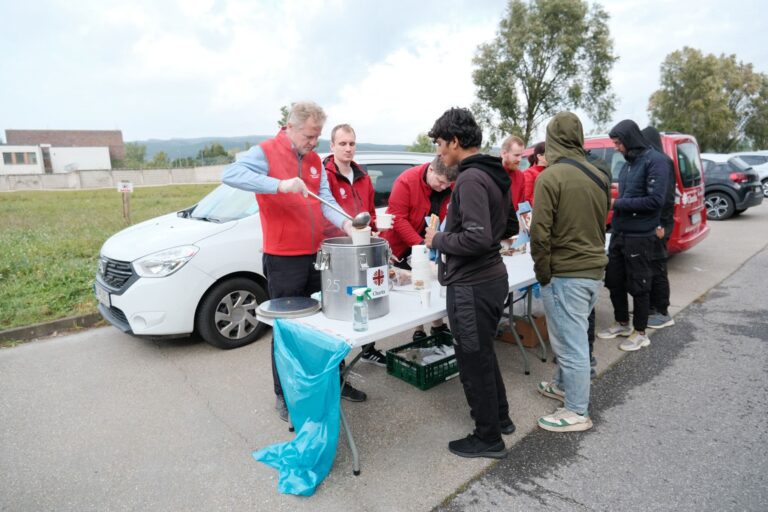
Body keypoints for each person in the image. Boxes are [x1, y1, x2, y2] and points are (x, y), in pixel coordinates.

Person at [221, 101, 367, 422]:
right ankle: (284, 395)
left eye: (317, 136)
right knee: (287, 329)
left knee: (327, 320)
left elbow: (325, 200)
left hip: (318, 254)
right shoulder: (265, 152)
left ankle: (334, 381)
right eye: (309, 136)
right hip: (284, 258)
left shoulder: (314, 161)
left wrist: (346, 223)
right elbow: (230, 174)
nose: (314, 142)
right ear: (291, 128)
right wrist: (279, 185)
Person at [425, 107, 518, 459]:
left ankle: (487, 437)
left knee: (472, 362)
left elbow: (477, 238)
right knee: (483, 354)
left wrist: (438, 239)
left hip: (472, 285)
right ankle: (501, 418)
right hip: (491, 278)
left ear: (455, 141)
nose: (439, 151)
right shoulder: (494, 172)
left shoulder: (470, 178)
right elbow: (509, 226)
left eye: (440, 143)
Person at [529, 111, 610, 432]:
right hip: (593, 269)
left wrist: (543, 273)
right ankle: (564, 385)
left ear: (551, 139)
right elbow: (601, 221)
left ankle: (576, 411)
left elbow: (540, 233)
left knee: (569, 343)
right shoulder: (599, 175)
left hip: (566, 273)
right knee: (572, 335)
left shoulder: (550, 177)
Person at [597, 119, 668, 351]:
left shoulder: (656, 161)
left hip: (640, 236)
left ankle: (640, 332)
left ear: (630, 139)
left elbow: (655, 200)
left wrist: (616, 203)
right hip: (619, 232)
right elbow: (629, 195)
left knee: (640, 284)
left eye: (618, 143)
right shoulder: (627, 164)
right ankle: (622, 323)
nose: (616, 147)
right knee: (614, 280)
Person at [322, 123, 386, 366]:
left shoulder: (363, 176)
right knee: (338, 305)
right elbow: (323, 211)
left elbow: (369, 212)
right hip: (337, 250)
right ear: (332, 146)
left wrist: (374, 229)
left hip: (362, 248)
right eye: (342, 144)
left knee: (364, 297)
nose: (348, 148)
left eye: (351, 143)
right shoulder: (326, 176)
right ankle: (336, 365)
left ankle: (368, 348)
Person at [381, 155, 457, 339]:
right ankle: (418, 329)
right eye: (440, 182)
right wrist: (421, 246)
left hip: (431, 241)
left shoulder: (450, 185)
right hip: (402, 244)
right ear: (431, 170)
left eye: (447, 184)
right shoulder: (406, 181)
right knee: (414, 285)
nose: (443, 187)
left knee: (433, 282)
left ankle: (437, 325)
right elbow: (398, 218)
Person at [641, 126, 676, 329]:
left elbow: (666, 198)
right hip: (656, 222)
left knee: (658, 267)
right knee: (651, 267)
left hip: (660, 223)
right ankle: (651, 307)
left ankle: (662, 311)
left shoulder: (662, 162)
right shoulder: (656, 160)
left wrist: (660, 225)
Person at [500, 135, 526, 211]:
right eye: (516, 155)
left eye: (521, 155)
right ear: (504, 153)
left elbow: (521, 206)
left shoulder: (520, 176)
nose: (519, 159)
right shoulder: (490, 173)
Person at [523, 141, 547, 206]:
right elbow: (526, 199)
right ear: (539, 156)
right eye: (549, 154)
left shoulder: (551, 172)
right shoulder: (529, 173)